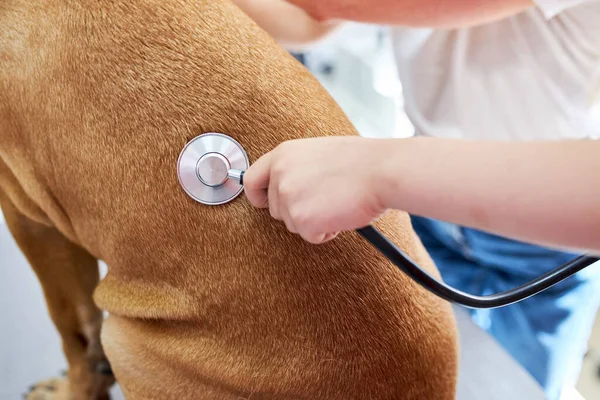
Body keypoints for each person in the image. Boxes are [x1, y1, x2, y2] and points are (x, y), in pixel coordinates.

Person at [232, 0, 600, 399]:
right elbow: (308, 20)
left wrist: (375, 172)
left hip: (537, 244)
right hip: (428, 203)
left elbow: (325, 5)